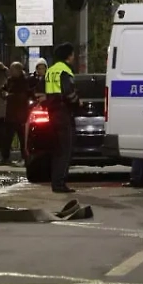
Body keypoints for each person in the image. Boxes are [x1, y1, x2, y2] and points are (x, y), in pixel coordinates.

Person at [44, 43, 79, 193]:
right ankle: (59, 183)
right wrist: (78, 103)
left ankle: (56, 182)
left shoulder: (50, 70)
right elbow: (69, 93)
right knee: (65, 150)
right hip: (63, 113)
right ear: (68, 55)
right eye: (73, 54)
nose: (74, 57)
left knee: (57, 150)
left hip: (52, 114)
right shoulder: (65, 70)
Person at [4, 61, 32, 163]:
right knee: (7, 137)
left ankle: (25, 157)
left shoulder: (25, 81)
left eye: (13, 69)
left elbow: (23, 95)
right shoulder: (10, 80)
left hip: (21, 114)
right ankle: (5, 157)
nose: (11, 71)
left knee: (23, 138)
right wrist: (4, 93)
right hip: (10, 113)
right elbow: (3, 89)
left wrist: (10, 96)